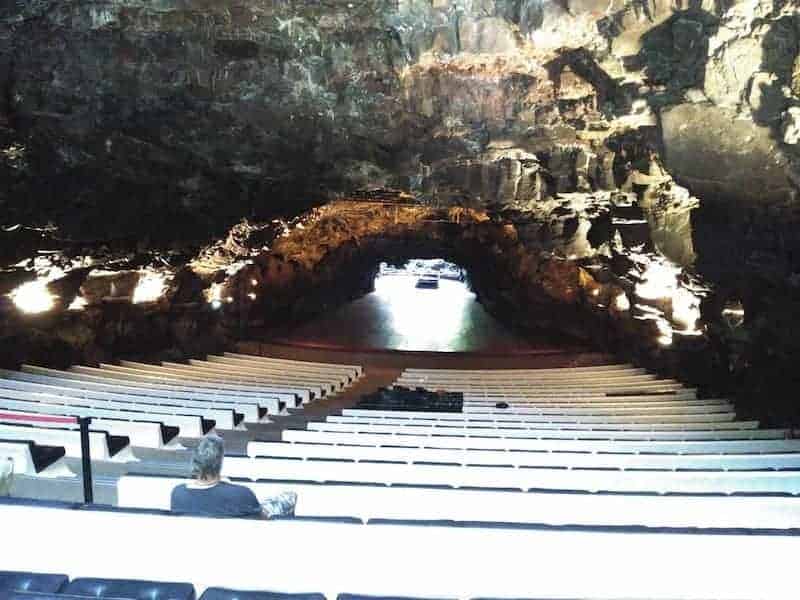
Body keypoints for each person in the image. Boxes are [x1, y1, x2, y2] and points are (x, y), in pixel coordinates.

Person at [171, 435, 296, 519]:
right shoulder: (240, 493)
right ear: (220, 463)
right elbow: (261, 518)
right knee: (289, 497)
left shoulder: (178, 493)